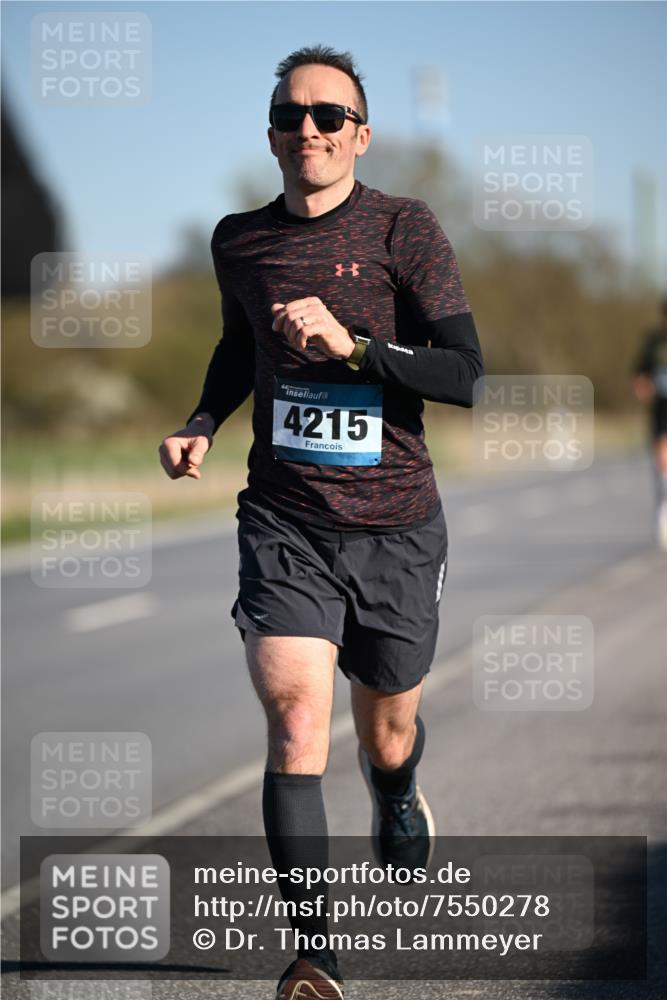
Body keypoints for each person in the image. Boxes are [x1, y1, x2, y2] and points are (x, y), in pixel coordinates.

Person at [159, 44, 483, 1000]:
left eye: (328, 116)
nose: (309, 128)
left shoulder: (402, 227)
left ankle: (393, 787)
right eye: (291, 115)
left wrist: (356, 349)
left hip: (395, 521)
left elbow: (464, 373)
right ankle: (315, 956)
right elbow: (236, 345)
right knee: (297, 719)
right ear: (271, 133)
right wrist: (203, 420)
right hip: (285, 517)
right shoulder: (239, 241)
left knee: (384, 731)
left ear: (360, 134)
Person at [633, 297, 667, 551]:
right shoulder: (653, 343)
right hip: (661, 410)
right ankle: (662, 516)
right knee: (662, 463)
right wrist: (644, 389)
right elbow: (639, 377)